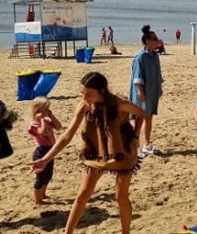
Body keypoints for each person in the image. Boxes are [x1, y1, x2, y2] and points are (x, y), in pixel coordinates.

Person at [30, 72, 144, 234]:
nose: (84, 97)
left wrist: (135, 137)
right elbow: (67, 136)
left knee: (121, 197)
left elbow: (141, 114)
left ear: (102, 91)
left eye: (89, 94)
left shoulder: (119, 103)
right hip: (95, 150)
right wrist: (45, 159)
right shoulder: (84, 106)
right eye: (82, 93)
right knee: (82, 195)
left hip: (122, 149)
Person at [129, 25, 164, 157]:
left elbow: (158, 73)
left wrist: (159, 88)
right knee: (139, 120)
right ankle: (136, 147)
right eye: (154, 39)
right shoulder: (140, 57)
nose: (157, 41)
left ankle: (147, 144)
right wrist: (140, 91)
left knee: (149, 118)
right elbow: (137, 76)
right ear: (147, 41)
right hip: (142, 93)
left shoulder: (155, 56)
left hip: (152, 90)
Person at [27, 97, 62, 204]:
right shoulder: (34, 123)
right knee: (41, 177)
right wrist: (42, 119)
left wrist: (51, 116)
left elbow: (59, 127)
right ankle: (38, 199)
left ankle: (43, 194)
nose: (48, 110)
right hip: (41, 151)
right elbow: (42, 132)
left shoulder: (47, 120)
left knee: (48, 175)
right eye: (45, 109)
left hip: (50, 150)